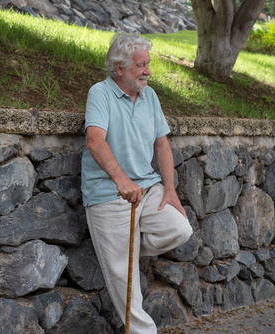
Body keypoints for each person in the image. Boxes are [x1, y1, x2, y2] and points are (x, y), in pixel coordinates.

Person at [81, 33, 193, 333]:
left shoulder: (150, 96)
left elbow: (162, 146)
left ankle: (119, 250)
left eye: (148, 64)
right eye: (141, 65)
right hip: (109, 194)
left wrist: (170, 189)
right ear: (119, 68)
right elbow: (95, 141)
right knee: (123, 279)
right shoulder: (100, 93)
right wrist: (121, 180)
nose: (148, 71)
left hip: (148, 188)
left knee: (180, 229)